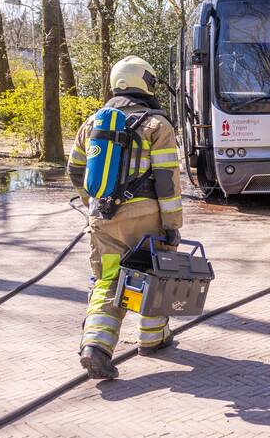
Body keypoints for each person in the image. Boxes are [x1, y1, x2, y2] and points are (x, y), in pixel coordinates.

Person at [66, 56, 184, 379]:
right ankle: (153, 337)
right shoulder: (157, 126)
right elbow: (167, 182)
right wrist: (172, 225)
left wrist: (92, 203)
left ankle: (96, 346)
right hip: (147, 220)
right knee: (154, 274)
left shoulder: (92, 124)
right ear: (145, 82)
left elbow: (75, 169)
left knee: (107, 281)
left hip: (104, 219)